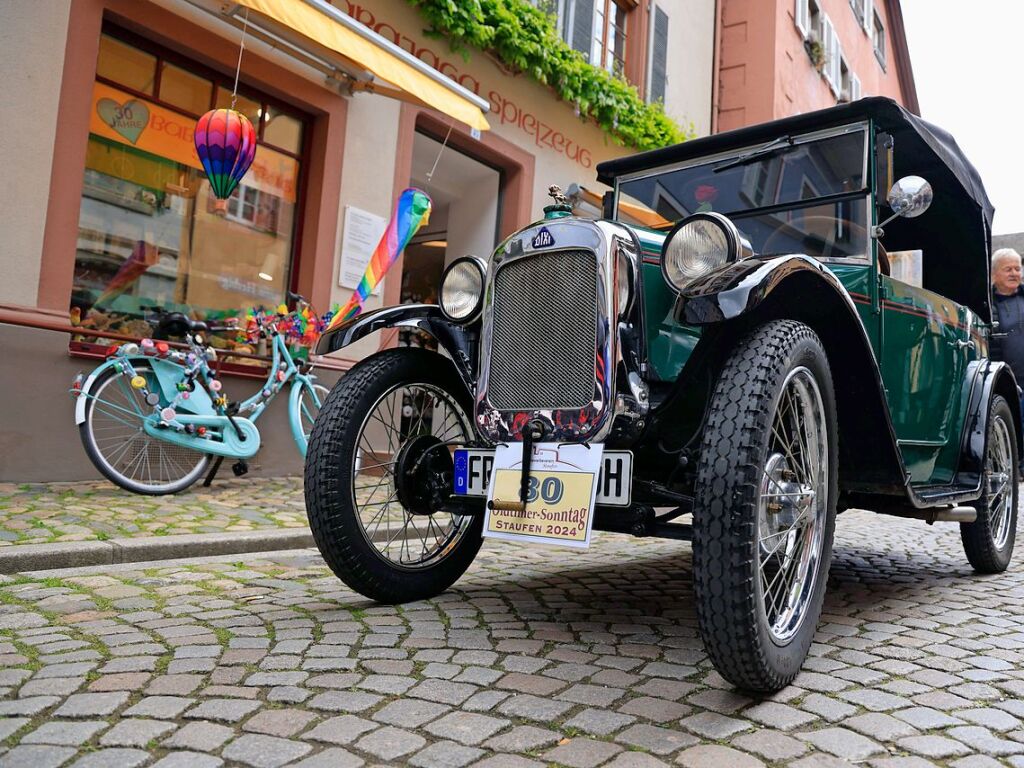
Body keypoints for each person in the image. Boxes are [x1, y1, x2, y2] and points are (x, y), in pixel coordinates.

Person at [991, 247, 1024, 471]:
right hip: (1008, 380)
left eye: (1017, 268)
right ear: (994, 275)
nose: (1014, 273)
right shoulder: (986, 303)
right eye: (1008, 269)